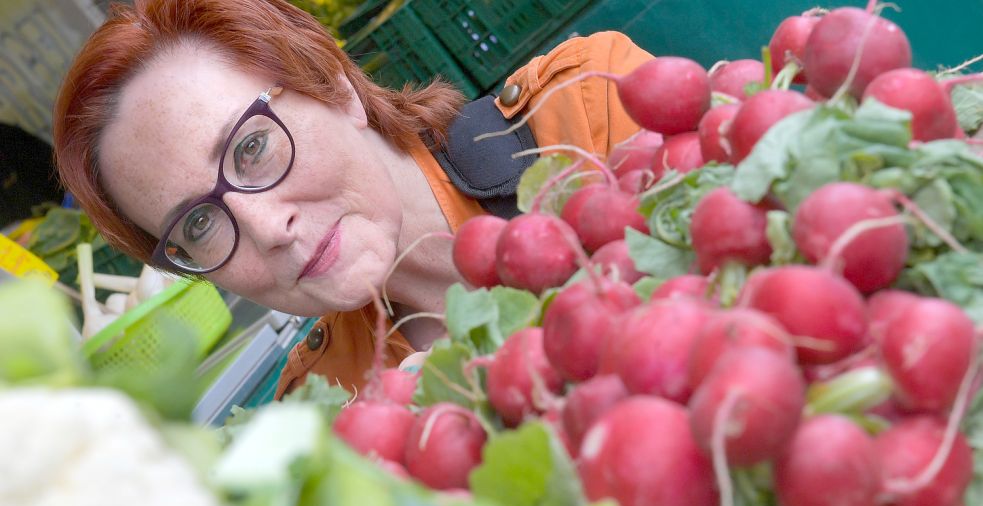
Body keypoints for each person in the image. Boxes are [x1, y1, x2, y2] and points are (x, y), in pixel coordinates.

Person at [53, 0, 654, 398]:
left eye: (252, 147)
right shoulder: (331, 404)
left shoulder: (592, 114)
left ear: (336, 87)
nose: (267, 228)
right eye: (201, 222)